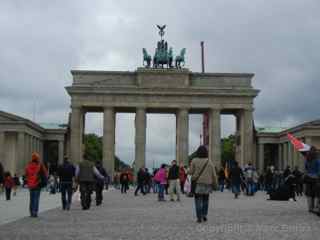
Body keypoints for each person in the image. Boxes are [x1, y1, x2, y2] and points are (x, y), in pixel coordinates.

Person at [190, 145, 217, 223]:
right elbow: (214, 175)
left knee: (198, 200)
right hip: (208, 183)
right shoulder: (209, 161)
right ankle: (204, 215)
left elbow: (191, 172)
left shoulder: (194, 160)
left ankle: (199, 217)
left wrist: (188, 171)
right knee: (206, 200)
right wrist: (215, 185)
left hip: (198, 183)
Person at [25, 152, 48, 217]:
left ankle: (31, 212)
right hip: (37, 183)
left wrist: (29, 180)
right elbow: (45, 173)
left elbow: (26, 174)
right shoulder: (40, 165)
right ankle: (35, 212)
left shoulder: (28, 165)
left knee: (31, 199)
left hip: (30, 184)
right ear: (37, 158)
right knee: (36, 198)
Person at [303, 146, 320, 214]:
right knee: (316, 193)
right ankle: (315, 207)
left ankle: (310, 207)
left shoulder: (307, 160)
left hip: (308, 178)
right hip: (316, 178)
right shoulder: (317, 160)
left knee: (309, 193)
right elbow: (319, 170)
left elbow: (306, 169)